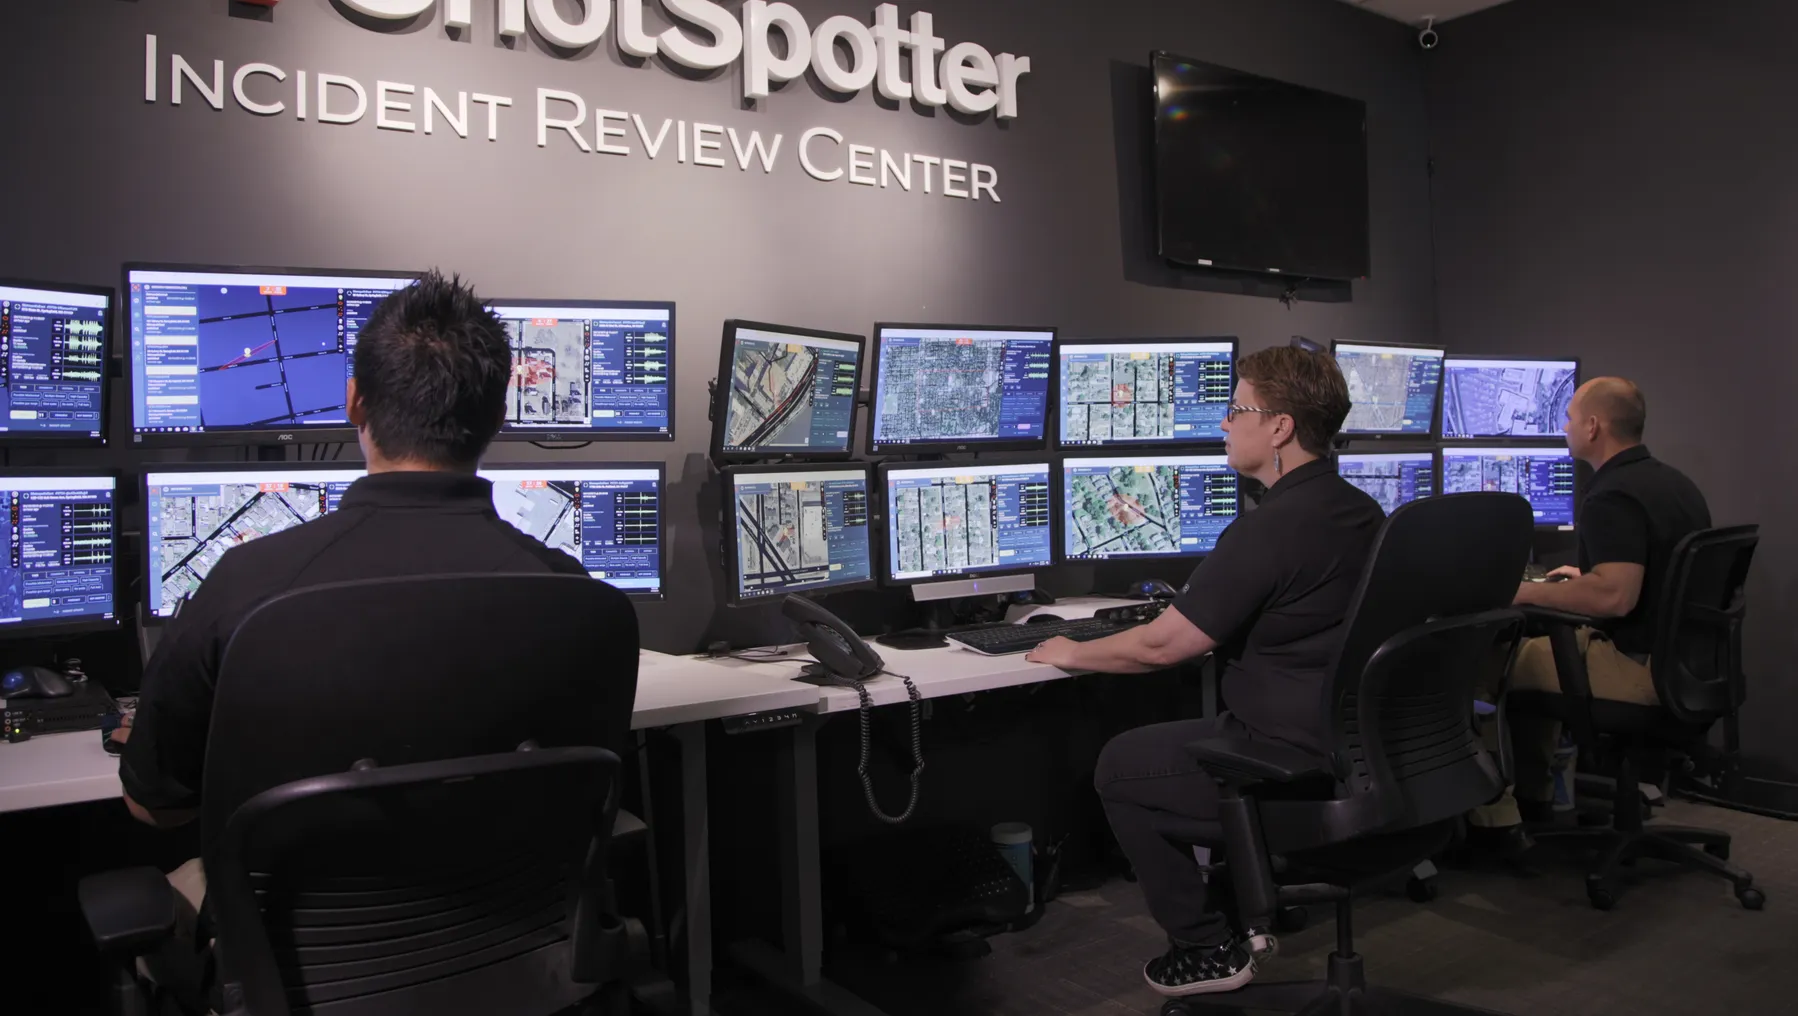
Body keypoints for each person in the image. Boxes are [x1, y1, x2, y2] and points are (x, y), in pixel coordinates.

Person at [113, 270, 595, 1009]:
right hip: (513, 957)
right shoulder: (577, 599)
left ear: (353, 403)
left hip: (301, 975)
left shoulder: (250, 584)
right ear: (497, 416)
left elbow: (153, 805)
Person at [1026, 347, 1383, 998]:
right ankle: (1245, 905)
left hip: (1287, 760)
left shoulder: (1271, 528)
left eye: (1235, 410)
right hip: (1356, 751)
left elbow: (1165, 647)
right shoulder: (1360, 511)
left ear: (1278, 427)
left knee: (1119, 768)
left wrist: (1069, 650)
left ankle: (1206, 945)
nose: (1223, 424)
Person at [1473, 377, 1710, 829]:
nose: (1564, 427)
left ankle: (1500, 818)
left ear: (1594, 426)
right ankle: (1538, 801)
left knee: (1491, 664)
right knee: (1537, 656)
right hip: (1685, 666)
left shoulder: (1611, 495)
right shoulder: (1674, 484)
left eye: (1569, 418)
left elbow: (1616, 598)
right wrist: (1587, 579)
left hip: (1638, 668)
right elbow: (1659, 577)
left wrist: (1517, 590)